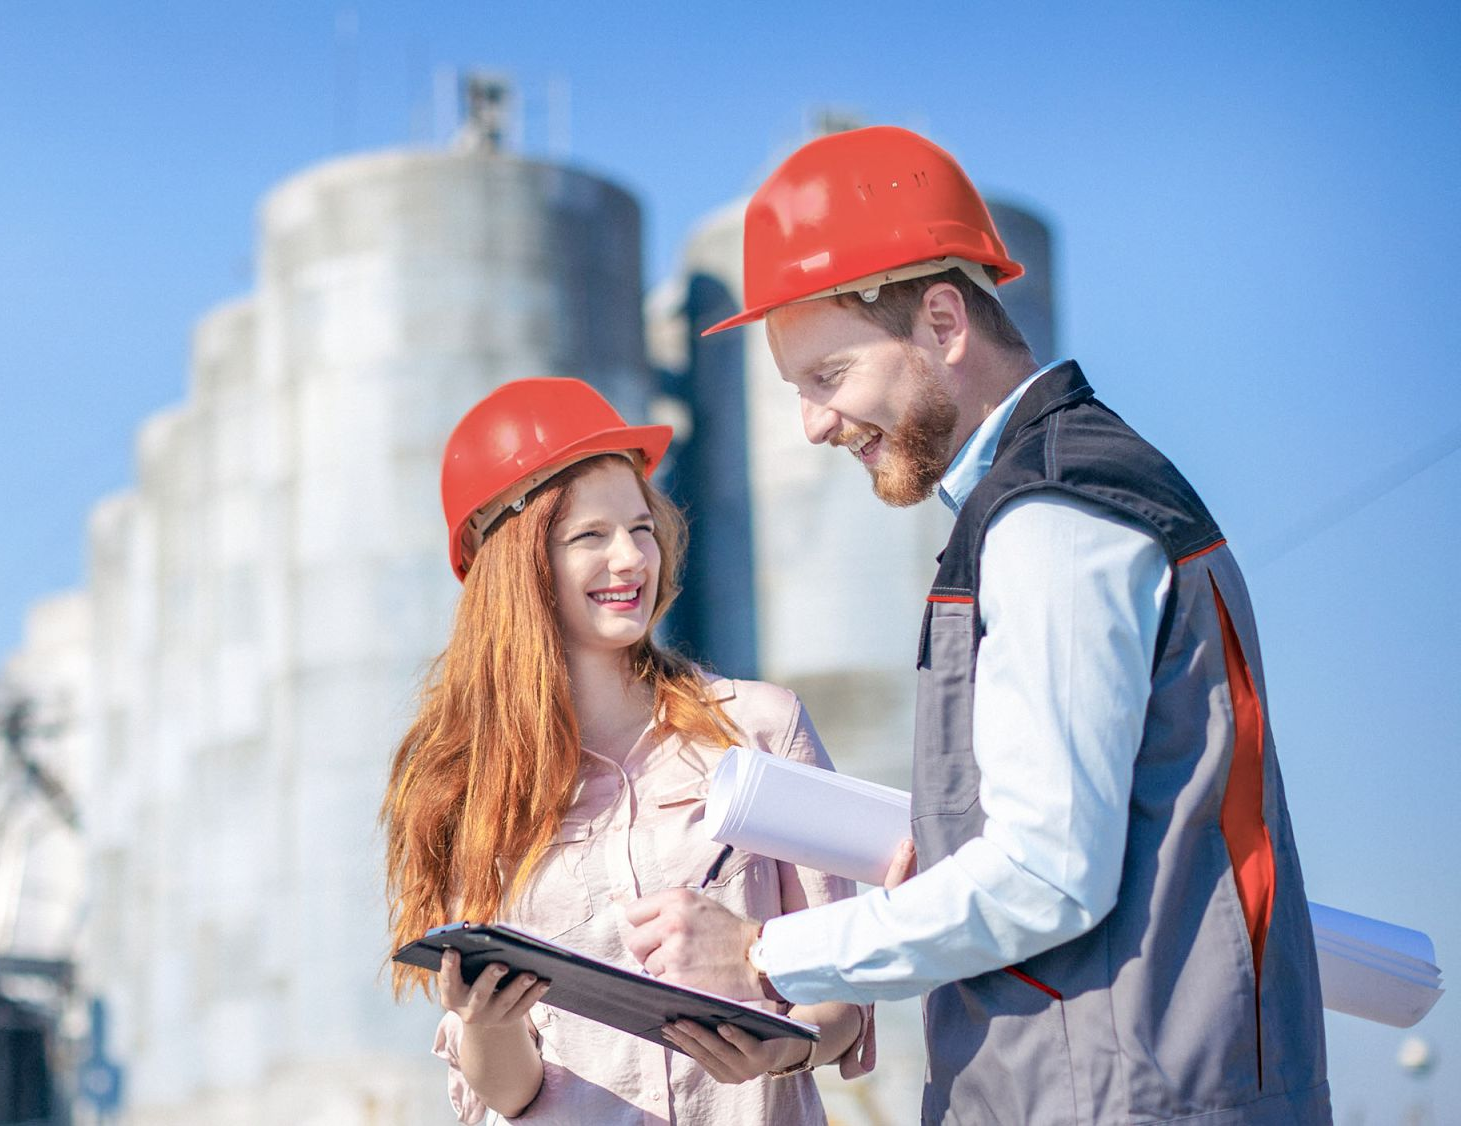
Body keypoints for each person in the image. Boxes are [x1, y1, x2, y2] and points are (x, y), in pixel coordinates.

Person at [619, 126, 1331, 1123]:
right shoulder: (1062, 500)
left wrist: (758, 952)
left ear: (941, 319)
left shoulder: (1050, 518)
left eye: (826, 377)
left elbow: (1045, 875)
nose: (812, 427)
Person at [381, 377, 876, 1124]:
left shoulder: (757, 730)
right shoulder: (471, 794)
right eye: (591, 536)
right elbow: (511, 1093)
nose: (631, 559)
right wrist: (488, 1020)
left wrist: (781, 1047)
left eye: (641, 528)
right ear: (519, 566)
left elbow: (844, 988)